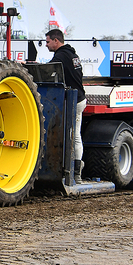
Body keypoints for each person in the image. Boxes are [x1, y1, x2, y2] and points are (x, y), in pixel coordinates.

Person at [45, 28, 87, 183]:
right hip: (80, 98)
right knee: (75, 136)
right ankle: (75, 171)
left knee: (72, 136)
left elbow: (46, 71)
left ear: (57, 41)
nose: (46, 45)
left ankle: (73, 173)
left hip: (73, 100)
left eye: (48, 42)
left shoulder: (61, 56)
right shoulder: (72, 54)